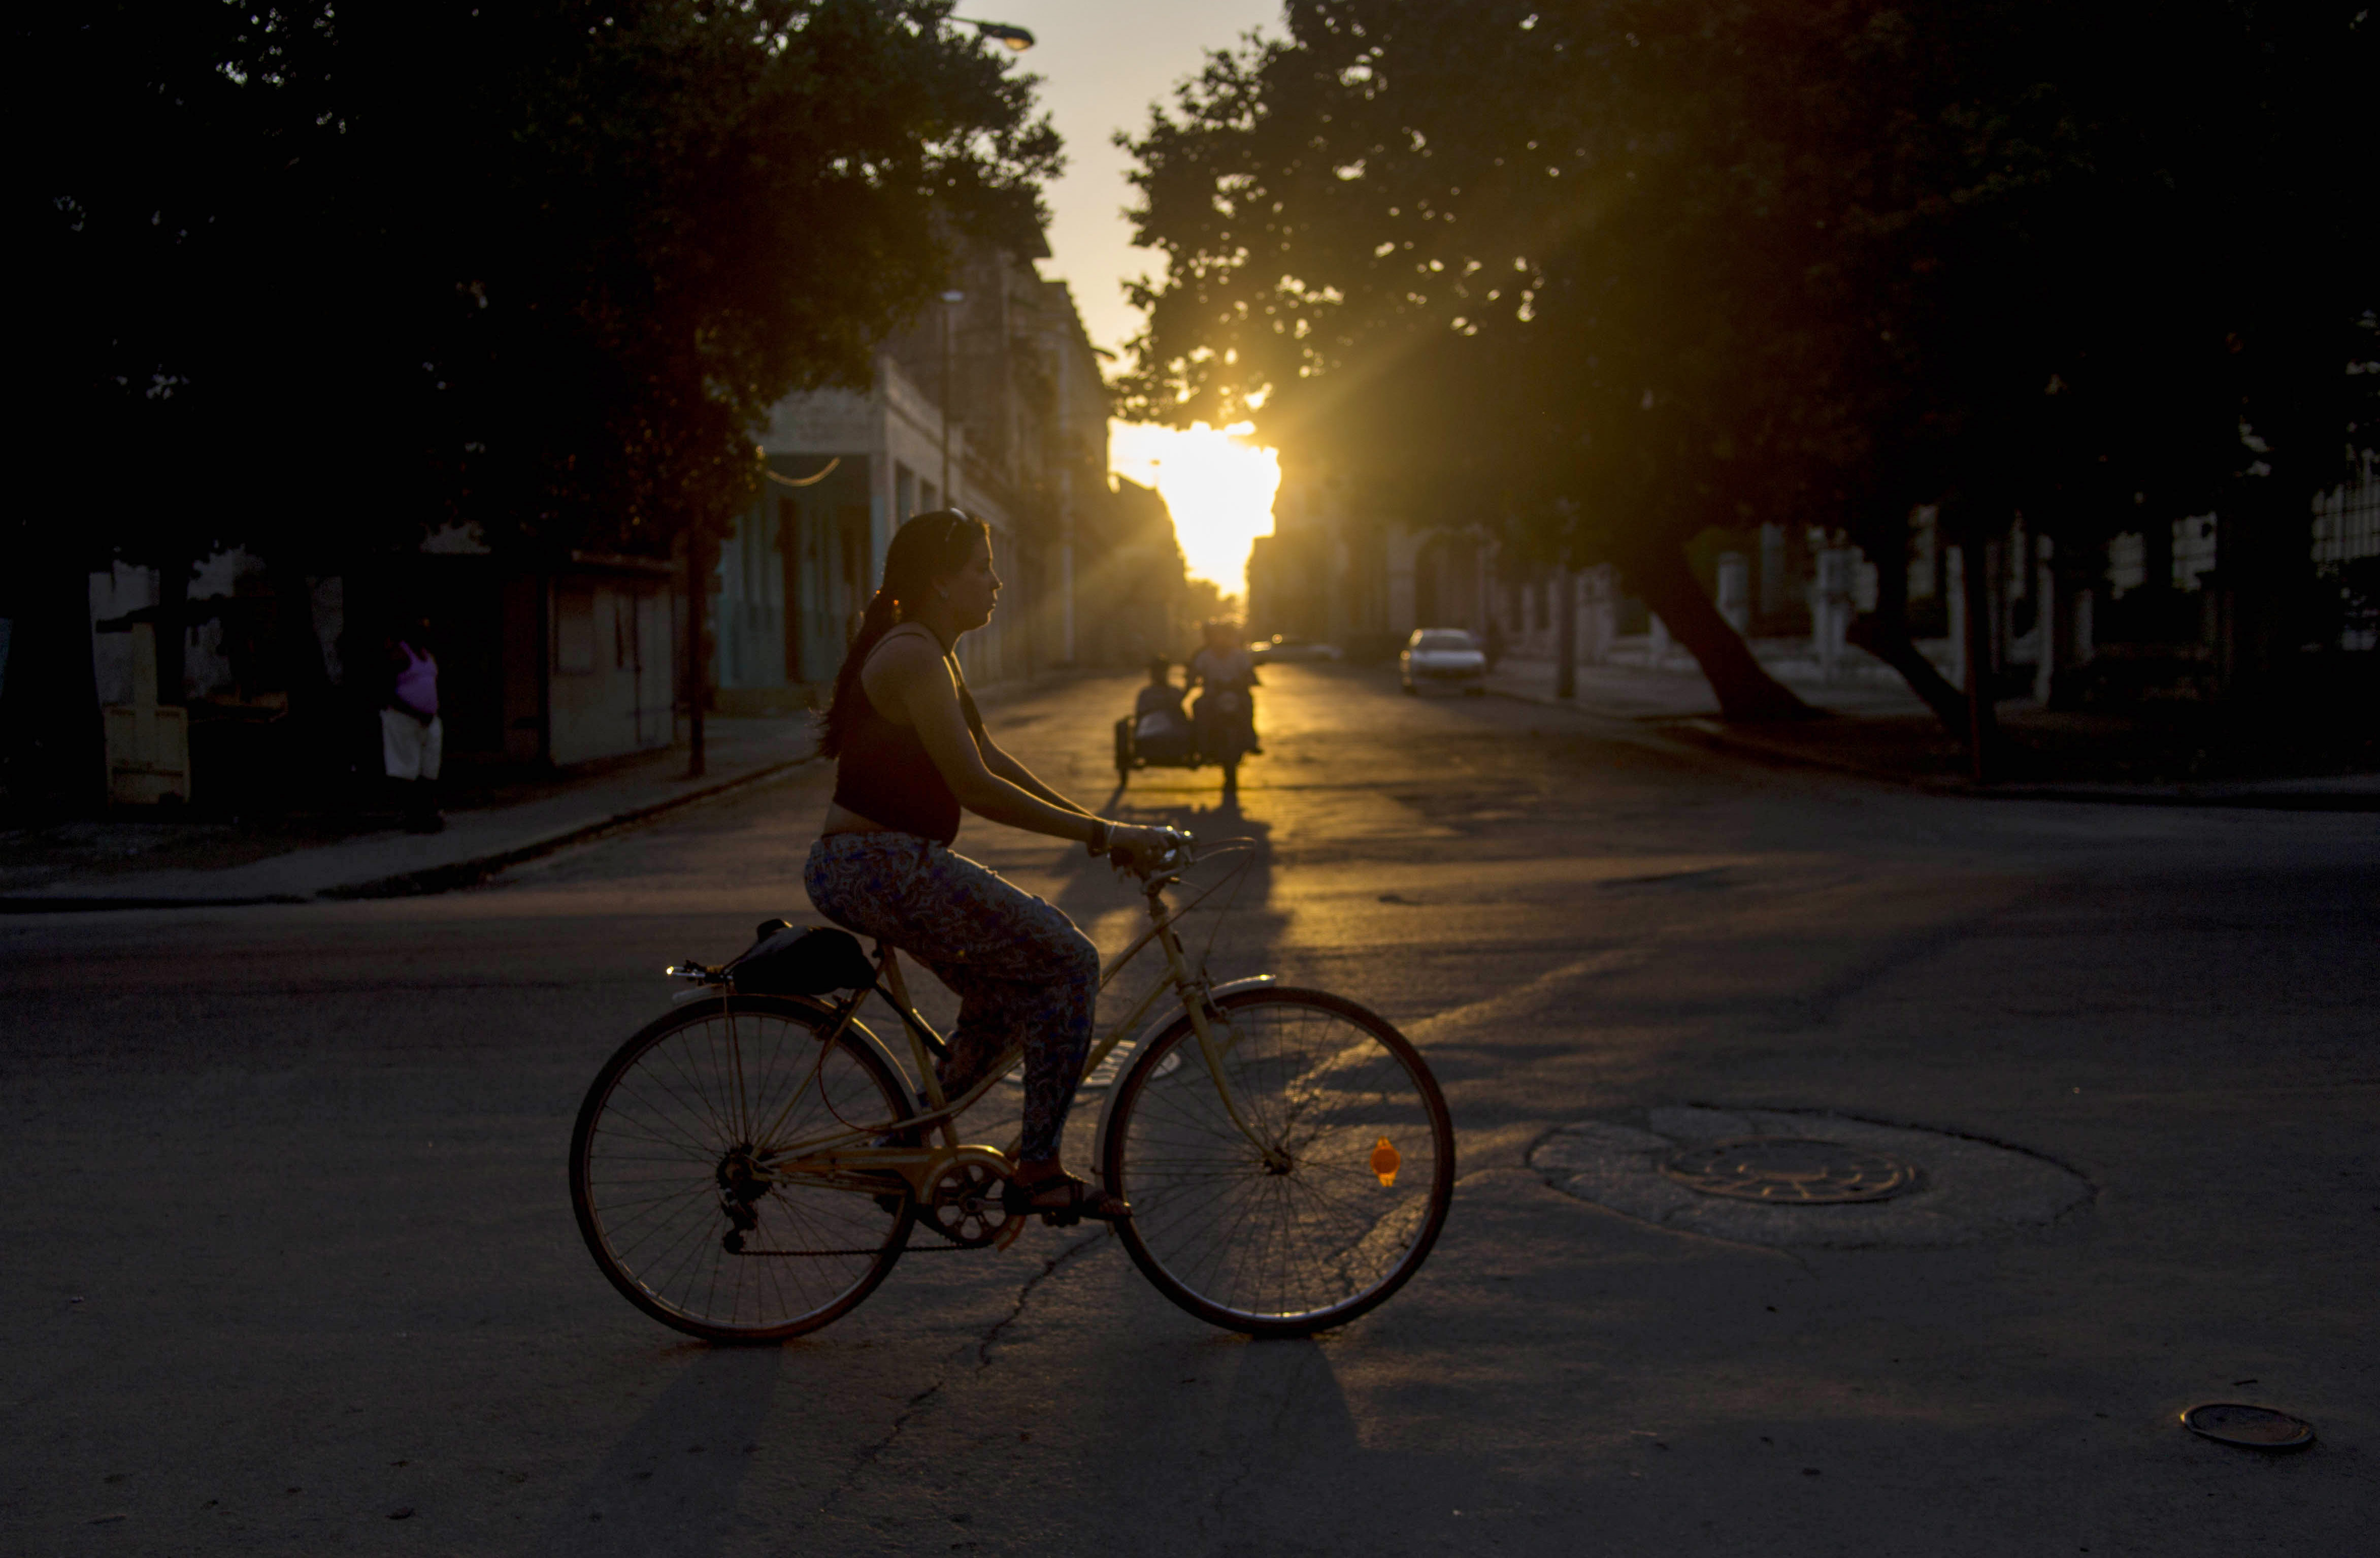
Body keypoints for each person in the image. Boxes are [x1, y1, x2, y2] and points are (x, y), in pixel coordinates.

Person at [803, 511, 1177, 1222]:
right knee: (1069, 961)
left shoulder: (931, 651)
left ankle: (898, 1151)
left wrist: (1109, 828)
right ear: (942, 582)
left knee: (1006, 1002)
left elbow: (993, 761)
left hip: (885, 864)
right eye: (983, 568)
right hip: (878, 866)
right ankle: (1037, 1169)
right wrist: (1102, 835)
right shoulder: (912, 654)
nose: (997, 582)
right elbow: (973, 786)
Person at [383, 614, 444, 833]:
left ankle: (428, 809)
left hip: (429, 720)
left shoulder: (428, 656)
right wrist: (416, 712)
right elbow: (387, 693)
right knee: (406, 767)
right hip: (405, 719)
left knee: (429, 766)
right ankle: (410, 814)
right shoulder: (399, 655)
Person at [1187, 619, 1262, 758]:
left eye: (1224, 635)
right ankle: (1201, 745)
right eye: (1217, 636)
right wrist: (1190, 683)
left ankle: (1251, 741)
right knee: (1199, 706)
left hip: (1237, 695)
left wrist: (1252, 680)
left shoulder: (1239, 655)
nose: (1220, 639)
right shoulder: (1205, 656)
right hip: (1212, 696)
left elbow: (1249, 673)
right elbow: (1194, 673)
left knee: (1247, 704)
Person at [1132, 657, 1193, 764]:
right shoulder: (1146, 694)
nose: (1158, 674)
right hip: (1150, 728)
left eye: (1161, 671)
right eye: (1156, 671)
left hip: (1172, 730)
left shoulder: (1174, 692)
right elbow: (1140, 716)